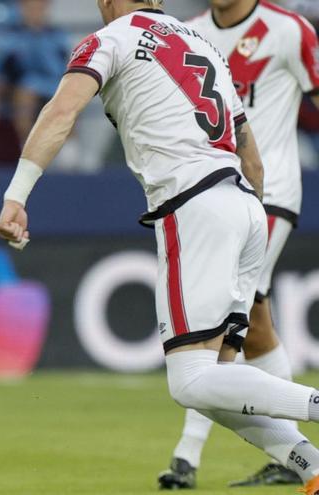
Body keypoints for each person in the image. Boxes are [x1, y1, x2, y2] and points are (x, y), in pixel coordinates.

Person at [0, 1, 319, 494]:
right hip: (245, 202)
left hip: (195, 205)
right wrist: (244, 216)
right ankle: (311, 466)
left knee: (189, 382)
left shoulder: (112, 38)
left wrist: (16, 195)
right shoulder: (203, 44)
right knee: (214, 386)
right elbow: (249, 153)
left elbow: (61, 111)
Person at [156, 0, 319, 488]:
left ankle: (189, 456)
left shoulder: (290, 30)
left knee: (223, 322)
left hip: (272, 194)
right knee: (253, 320)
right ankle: (297, 459)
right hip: (217, 195)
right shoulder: (189, 34)